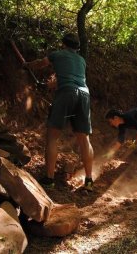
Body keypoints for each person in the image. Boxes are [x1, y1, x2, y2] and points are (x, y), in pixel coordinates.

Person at [24, 33, 94, 191]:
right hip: (84, 95)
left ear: (63, 44)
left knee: (53, 136)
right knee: (84, 139)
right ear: (77, 48)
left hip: (66, 93)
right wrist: (46, 85)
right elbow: (68, 78)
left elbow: (41, 63)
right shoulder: (81, 60)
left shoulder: (58, 54)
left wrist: (27, 64)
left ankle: (49, 179)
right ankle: (89, 180)